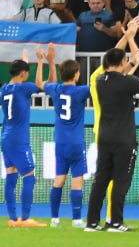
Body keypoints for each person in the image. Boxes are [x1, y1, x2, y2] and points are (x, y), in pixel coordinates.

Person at [84, 42, 139, 232]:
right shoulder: (126, 82)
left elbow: (118, 77)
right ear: (122, 62)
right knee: (121, 180)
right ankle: (115, 222)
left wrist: (132, 63)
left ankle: (92, 222)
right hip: (124, 139)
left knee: (101, 180)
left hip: (104, 137)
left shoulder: (100, 80)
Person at [43, 50, 91, 228]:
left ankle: (54, 219)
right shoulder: (81, 91)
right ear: (76, 74)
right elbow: (100, 86)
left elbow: (42, 84)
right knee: (77, 180)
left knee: (59, 180)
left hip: (60, 143)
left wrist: (49, 61)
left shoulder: (55, 89)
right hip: (76, 143)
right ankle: (76, 219)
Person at [1, 50, 47, 226]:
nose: (28, 75)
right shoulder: (24, 88)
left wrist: (24, 62)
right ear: (22, 74)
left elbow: (19, 80)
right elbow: (40, 85)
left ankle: (12, 219)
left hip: (6, 138)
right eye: (26, 72)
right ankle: (26, 218)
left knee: (11, 176)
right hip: (19, 139)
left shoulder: (4, 89)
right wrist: (40, 61)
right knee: (29, 176)